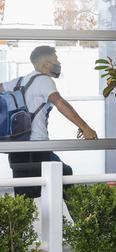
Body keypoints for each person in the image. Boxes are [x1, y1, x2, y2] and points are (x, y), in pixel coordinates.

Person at [1, 46, 97, 198]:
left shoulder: (19, 81)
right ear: (46, 64)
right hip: (36, 149)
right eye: (56, 60)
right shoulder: (44, 80)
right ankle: (82, 219)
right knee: (64, 178)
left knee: (23, 199)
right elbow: (60, 104)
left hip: (17, 150)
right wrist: (85, 127)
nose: (58, 63)